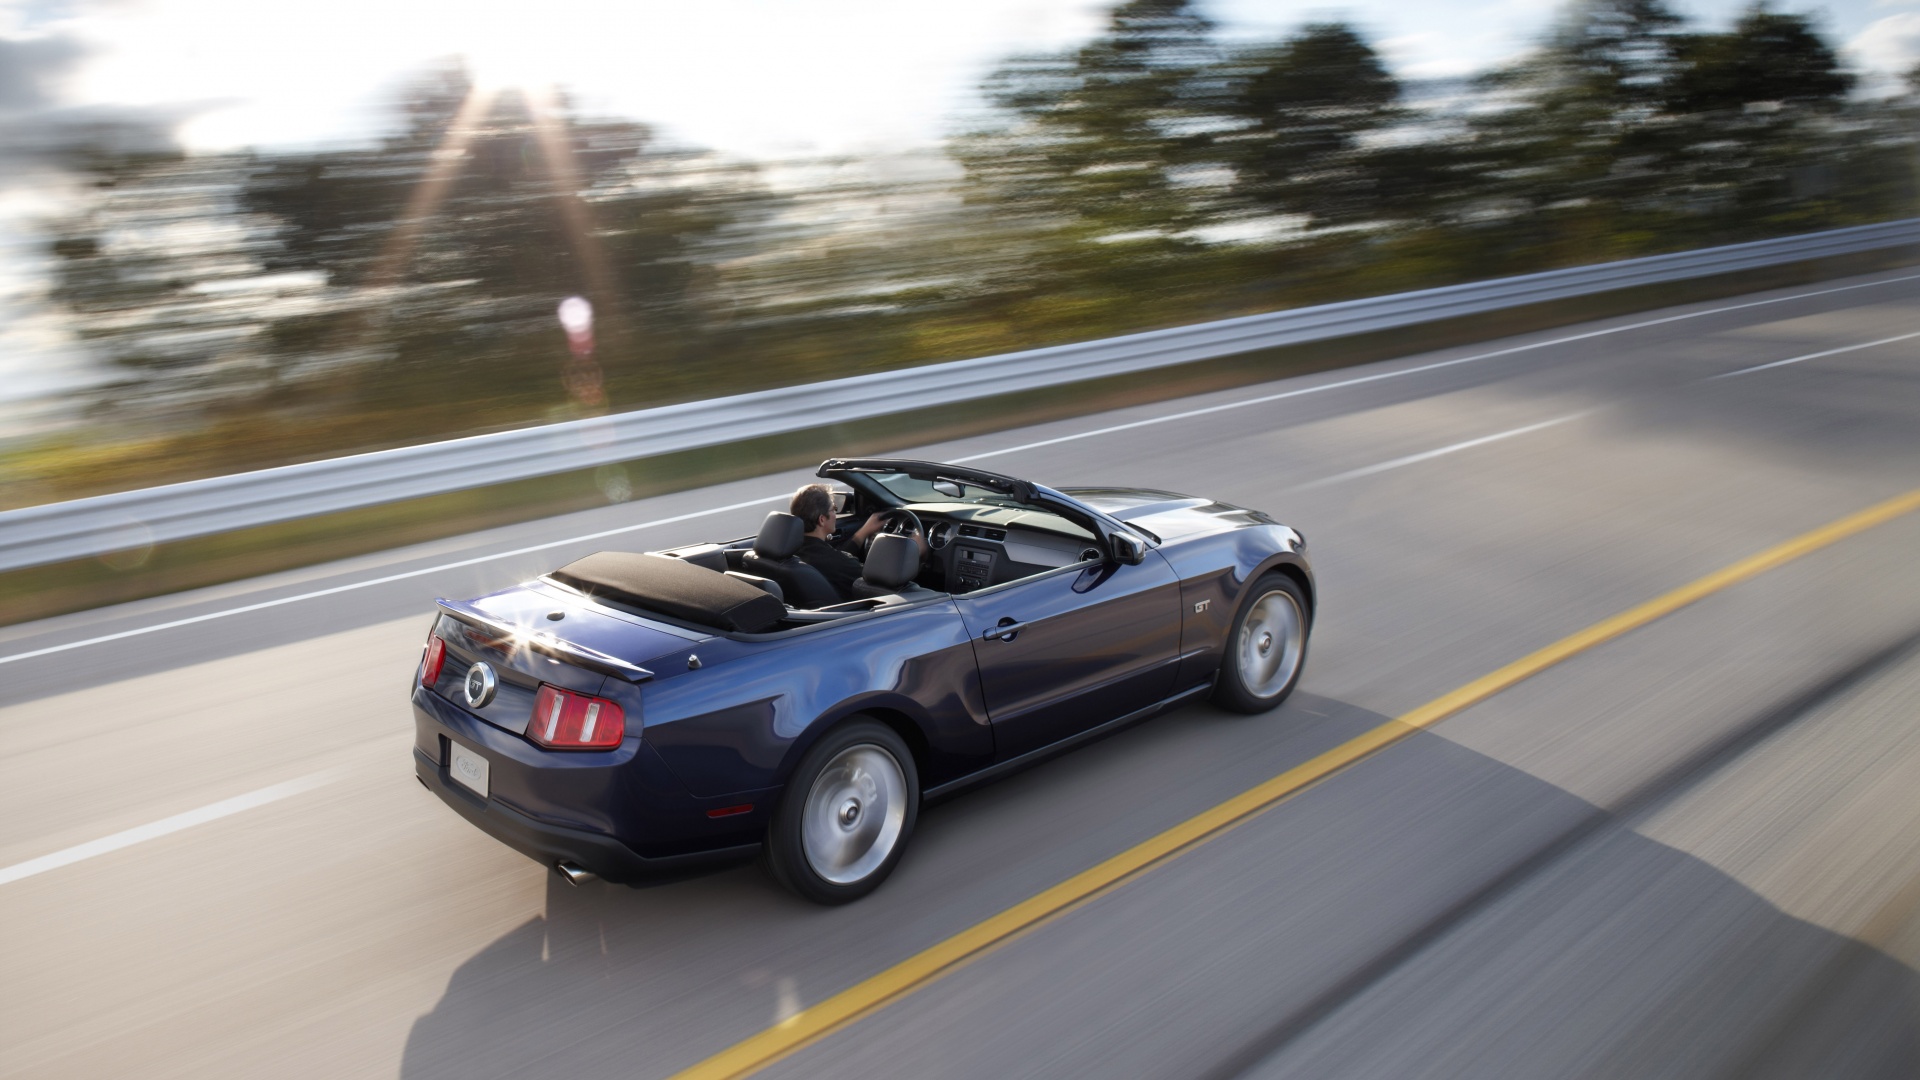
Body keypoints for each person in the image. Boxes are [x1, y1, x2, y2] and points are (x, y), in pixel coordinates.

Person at [789, 483, 925, 601]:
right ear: (822, 520)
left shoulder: (793, 551)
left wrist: (864, 532)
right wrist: (913, 553)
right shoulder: (837, 563)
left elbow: (837, 560)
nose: (836, 514)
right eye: (834, 509)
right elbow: (882, 584)